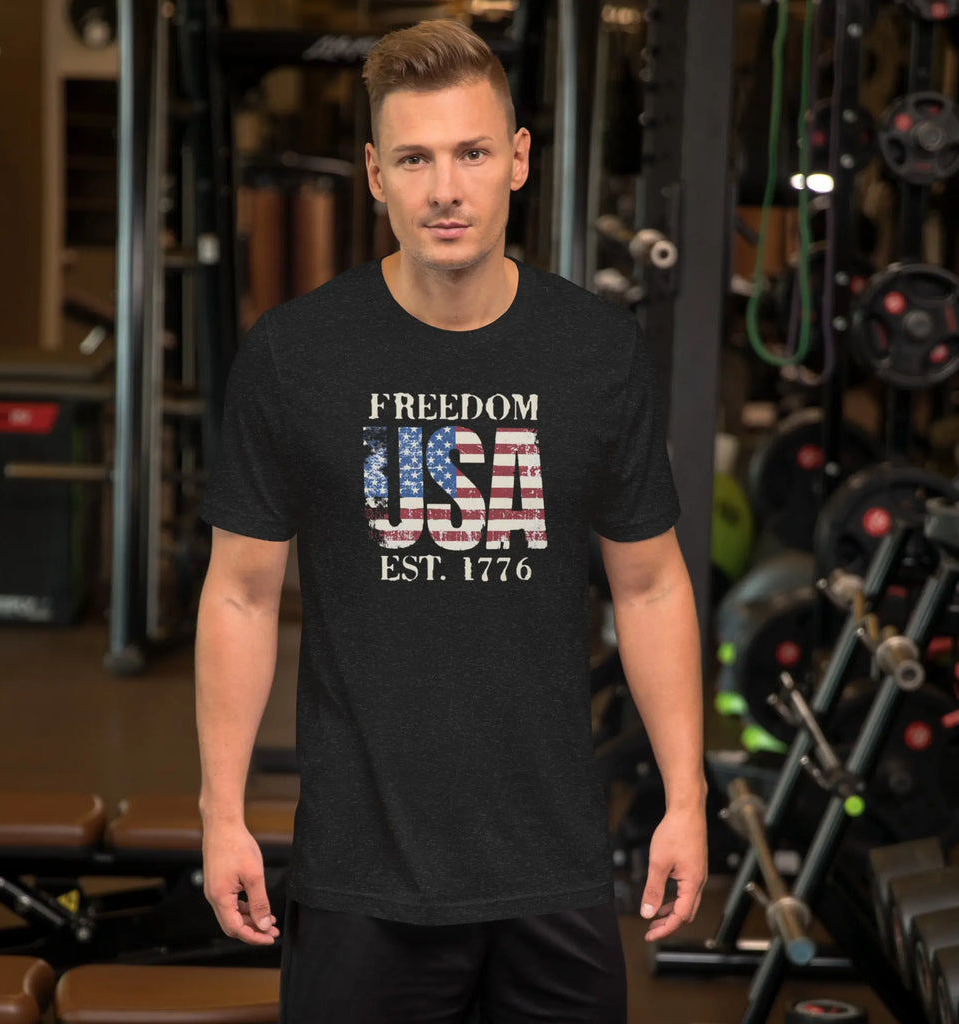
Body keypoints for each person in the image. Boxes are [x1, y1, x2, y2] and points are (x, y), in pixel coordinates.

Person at [195, 18, 707, 1024]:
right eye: (416, 159)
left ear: (517, 161)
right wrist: (222, 814)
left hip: (552, 867)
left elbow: (650, 583)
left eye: (472, 152)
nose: (445, 189)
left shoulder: (595, 355)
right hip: (360, 872)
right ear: (375, 174)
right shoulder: (296, 356)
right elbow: (241, 593)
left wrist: (684, 801)